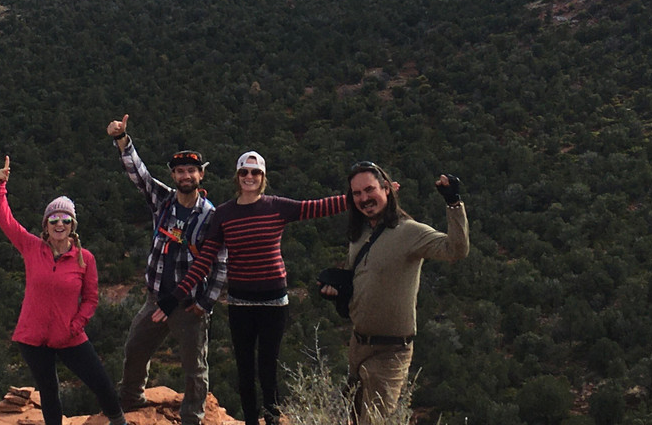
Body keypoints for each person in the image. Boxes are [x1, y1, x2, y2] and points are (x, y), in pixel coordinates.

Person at [153, 150, 348, 425]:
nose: (249, 177)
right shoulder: (224, 214)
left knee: (268, 368)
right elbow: (204, 261)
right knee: (244, 369)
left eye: (255, 172)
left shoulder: (277, 206)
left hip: (274, 302)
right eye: (244, 172)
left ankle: (272, 419)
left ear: (263, 177)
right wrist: (174, 297)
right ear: (237, 176)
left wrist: (363, 196)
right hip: (240, 302)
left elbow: (319, 207)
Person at [107, 114, 228, 425]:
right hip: (156, 298)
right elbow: (139, 175)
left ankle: (192, 417)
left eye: (191, 170)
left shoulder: (211, 217)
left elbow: (221, 264)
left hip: (188, 305)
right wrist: (122, 140)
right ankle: (131, 401)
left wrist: (205, 304)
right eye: (180, 171)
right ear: (173, 175)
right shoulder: (163, 201)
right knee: (135, 348)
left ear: (201, 175)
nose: (186, 176)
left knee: (194, 367)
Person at [327, 161, 469, 423]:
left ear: (386, 189)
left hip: (391, 350)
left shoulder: (409, 231)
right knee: (352, 418)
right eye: (357, 193)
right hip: (358, 346)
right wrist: (338, 292)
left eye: (369, 190)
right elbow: (364, 281)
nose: (364, 198)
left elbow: (456, 249)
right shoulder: (359, 233)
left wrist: (453, 203)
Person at [0, 156, 127, 425]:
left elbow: (91, 299)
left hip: (69, 335)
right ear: (46, 225)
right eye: (53, 219)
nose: (59, 224)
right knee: (49, 391)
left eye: (65, 219)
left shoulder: (85, 258)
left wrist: (75, 326)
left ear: (72, 225)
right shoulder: (32, 248)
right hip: (32, 337)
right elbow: (6, 221)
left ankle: (119, 421)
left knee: (101, 382)